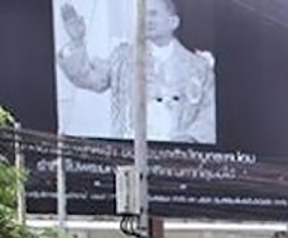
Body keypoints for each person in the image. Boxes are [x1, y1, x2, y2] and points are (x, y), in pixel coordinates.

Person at [57, 0, 215, 143]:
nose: (147, 20)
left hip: (177, 156)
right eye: (143, 15)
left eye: (153, 14)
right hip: (132, 154)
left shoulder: (198, 67)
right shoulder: (123, 57)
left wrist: (190, 138)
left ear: (173, 22)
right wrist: (77, 41)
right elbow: (89, 79)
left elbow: (209, 113)